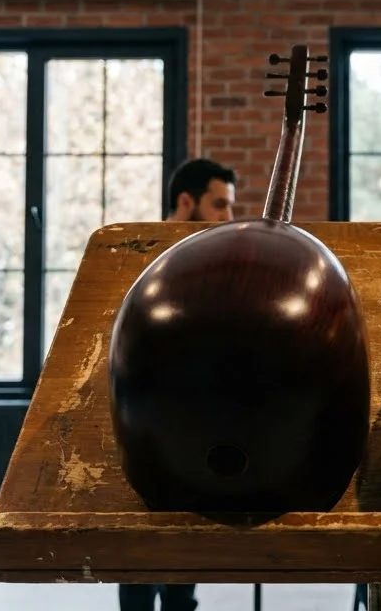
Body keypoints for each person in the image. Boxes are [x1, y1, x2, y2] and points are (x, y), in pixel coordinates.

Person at [118, 157, 237, 611]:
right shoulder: (141, 259)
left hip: (195, 419)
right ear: (186, 202)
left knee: (184, 557)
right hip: (147, 419)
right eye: (219, 205)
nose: (229, 217)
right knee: (139, 551)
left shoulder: (213, 266)